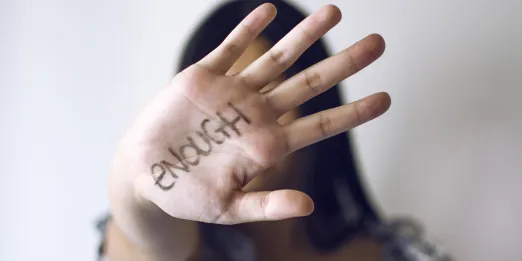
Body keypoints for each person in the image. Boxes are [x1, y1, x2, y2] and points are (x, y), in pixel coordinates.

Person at [98, 1, 452, 260]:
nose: (230, 128)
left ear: (314, 103)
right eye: (212, 111)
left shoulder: (393, 252)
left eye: (261, 97)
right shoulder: (178, 246)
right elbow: (144, 237)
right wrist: (138, 182)